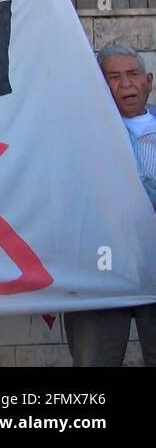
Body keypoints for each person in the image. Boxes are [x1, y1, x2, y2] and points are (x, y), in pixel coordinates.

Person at [62, 43, 156, 366]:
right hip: (99, 274)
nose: (126, 84)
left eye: (132, 74)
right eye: (113, 78)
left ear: (149, 81)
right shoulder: (77, 135)